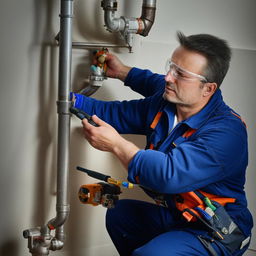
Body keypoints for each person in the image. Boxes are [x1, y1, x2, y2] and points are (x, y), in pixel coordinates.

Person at [71, 32, 253, 256]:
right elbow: (145, 86)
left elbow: (168, 174)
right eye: (171, 67)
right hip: (181, 214)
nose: (168, 77)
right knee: (120, 215)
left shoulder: (226, 133)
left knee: (151, 254)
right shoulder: (168, 100)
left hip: (217, 229)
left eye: (181, 74)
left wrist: (117, 145)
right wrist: (70, 99)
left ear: (208, 89)